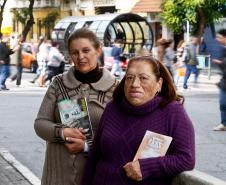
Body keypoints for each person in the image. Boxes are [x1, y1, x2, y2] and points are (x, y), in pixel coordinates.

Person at [81, 55, 195, 185]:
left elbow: (186, 159)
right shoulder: (112, 108)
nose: (134, 84)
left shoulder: (172, 111)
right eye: (129, 78)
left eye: (143, 78)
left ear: (159, 84)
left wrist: (147, 167)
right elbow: (94, 156)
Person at [34, 28, 118, 185]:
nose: (81, 57)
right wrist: (62, 132)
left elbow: (120, 137)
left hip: (95, 177)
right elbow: (40, 124)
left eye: (86, 50)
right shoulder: (58, 83)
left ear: (98, 49)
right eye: (75, 52)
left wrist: (87, 146)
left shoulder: (115, 88)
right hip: (57, 177)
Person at [213, 29, 226, 131]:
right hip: (224, 81)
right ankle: (224, 123)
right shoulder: (223, 49)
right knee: (223, 102)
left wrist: (220, 63)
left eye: (219, 37)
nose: (217, 39)